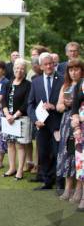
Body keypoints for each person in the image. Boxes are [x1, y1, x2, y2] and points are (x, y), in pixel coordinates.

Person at [27, 52, 64, 190]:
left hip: (57, 123)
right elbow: (30, 104)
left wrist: (54, 106)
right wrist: (35, 120)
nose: (49, 66)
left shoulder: (62, 79)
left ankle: (59, 181)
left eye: (51, 64)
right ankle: (47, 182)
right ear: (41, 66)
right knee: (43, 153)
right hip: (41, 125)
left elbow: (66, 103)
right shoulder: (35, 81)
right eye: (46, 64)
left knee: (57, 153)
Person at [1, 59, 32, 180]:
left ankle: (20, 171)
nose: (19, 70)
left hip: (21, 119)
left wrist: (14, 116)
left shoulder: (28, 84)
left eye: (22, 68)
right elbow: (3, 99)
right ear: (13, 69)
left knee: (20, 145)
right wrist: (7, 114)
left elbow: (26, 103)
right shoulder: (8, 83)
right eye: (17, 68)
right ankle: (12, 168)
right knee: (10, 144)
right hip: (8, 118)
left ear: (25, 71)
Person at [56, 59, 82, 201]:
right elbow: (58, 106)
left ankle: (78, 189)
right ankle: (68, 188)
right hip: (66, 123)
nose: (73, 72)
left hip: (79, 123)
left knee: (78, 155)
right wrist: (66, 104)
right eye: (71, 70)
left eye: (76, 69)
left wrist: (76, 105)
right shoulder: (65, 85)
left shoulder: (82, 85)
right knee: (67, 154)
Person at [68, 60, 84, 210]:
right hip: (81, 130)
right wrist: (75, 121)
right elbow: (74, 107)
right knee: (81, 164)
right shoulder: (81, 84)